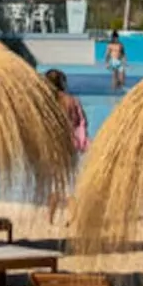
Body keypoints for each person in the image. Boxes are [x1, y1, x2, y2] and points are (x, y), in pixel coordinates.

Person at [46, 69, 88, 222]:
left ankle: (50, 218)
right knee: (70, 183)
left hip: (53, 144)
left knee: (54, 183)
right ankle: (72, 217)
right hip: (70, 144)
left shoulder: (46, 102)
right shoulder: (72, 100)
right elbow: (82, 121)